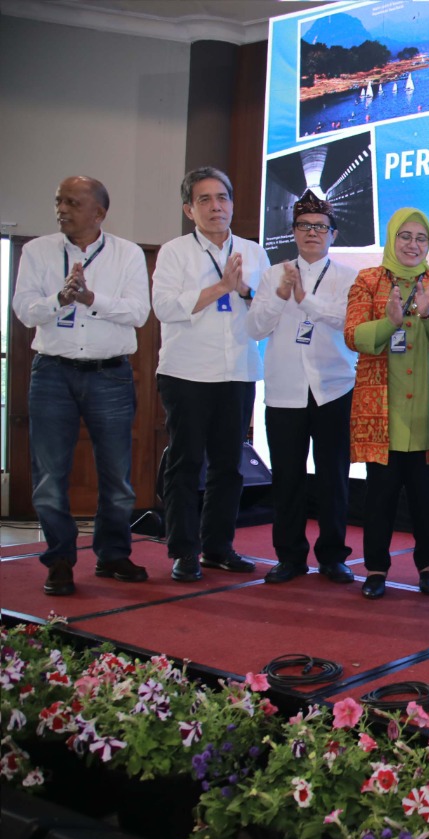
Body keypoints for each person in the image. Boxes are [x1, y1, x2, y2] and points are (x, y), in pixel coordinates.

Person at [12, 177, 151, 596]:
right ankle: (59, 560)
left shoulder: (126, 253)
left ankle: (112, 555)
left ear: (99, 213)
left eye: (72, 202)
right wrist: (60, 299)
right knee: (50, 475)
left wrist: (91, 299)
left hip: (110, 373)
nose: (61, 209)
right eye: (58, 201)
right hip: (52, 372)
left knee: (116, 474)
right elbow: (23, 310)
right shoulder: (37, 251)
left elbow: (138, 313)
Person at [152, 167, 268, 583]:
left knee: (229, 466)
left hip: (238, 370)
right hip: (187, 372)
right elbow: (164, 307)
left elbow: (269, 315)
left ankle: (218, 547)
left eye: (222, 198)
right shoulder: (174, 252)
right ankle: (184, 550)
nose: (216, 206)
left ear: (233, 204)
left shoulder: (254, 253)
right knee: (185, 463)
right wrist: (221, 287)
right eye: (205, 200)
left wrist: (246, 291)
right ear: (189, 209)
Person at [344, 208, 429, 600]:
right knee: (379, 496)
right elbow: (353, 335)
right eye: (406, 237)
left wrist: (428, 313)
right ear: (392, 239)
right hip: (383, 409)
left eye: (421, 238)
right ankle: (376, 570)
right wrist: (389, 323)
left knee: (427, 497)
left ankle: (428, 566)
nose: (413, 245)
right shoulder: (368, 281)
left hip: (427, 411)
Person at [246, 191, 358, 585]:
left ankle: (333, 556)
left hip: (334, 387)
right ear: (293, 232)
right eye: (305, 226)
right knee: (287, 478)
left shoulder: (350, 277)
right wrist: (280, 296)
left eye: (320, 227)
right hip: (285, 389)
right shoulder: (273, 274)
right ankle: (289, 557)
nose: (313, 233)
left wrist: (305, 300)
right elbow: (254, 328)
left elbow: (350, 326)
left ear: (333, 234)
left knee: (333, 477)